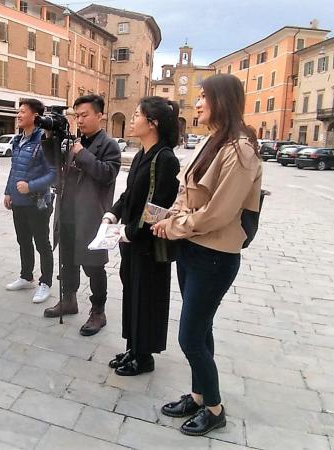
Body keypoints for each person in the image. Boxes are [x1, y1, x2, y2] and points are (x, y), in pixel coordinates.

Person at [151, 74, 263, 436]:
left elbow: (219, 213)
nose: (197, 103)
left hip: (214, 256)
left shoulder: (240, 150)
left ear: (223, 101)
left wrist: (177, 226)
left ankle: (214, 408)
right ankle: (198, 395)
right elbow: (188, 192)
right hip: (193, 250)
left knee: (190, 337)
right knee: (201, 330)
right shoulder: (214, 142)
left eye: (203, 97)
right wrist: (169, 218)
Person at [102, 96, 180, 376]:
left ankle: (145, 356)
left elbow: (156, 208)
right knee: (132, 294)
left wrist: (129, 232)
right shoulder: (141, 154)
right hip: (131, 242)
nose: (132, 119)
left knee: (146, 298)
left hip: (147, 244)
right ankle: (133, 347)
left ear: (153, 122)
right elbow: (128, 194)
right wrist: (112, 214)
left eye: (137, 115)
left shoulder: (165, 158)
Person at [41, 95, 121, 336]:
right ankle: (69, 299)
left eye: (85, 115)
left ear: (100, 115)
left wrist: (81, 153)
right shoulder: (74, 141)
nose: (80, 120)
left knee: (94, 265)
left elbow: (107, 174)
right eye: (77, 115)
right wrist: (48, 138)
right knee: (67, 259)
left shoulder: (109, 145)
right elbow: (54, 164)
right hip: (67, 209)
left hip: (91, 215)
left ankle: (98, 311)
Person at [3, 98, 56, 303]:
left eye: (22, 111)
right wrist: (8, 192)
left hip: (38, 202)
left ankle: (46, 283)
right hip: (18, 203)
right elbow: (14, 170)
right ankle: (26, 276)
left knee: (42, 243)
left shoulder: (45, 140)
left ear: (35, 116)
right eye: (19, 111)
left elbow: (54, 174)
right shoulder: (18, 140)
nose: (18, 115)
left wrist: (30, 186)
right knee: (23, 240)